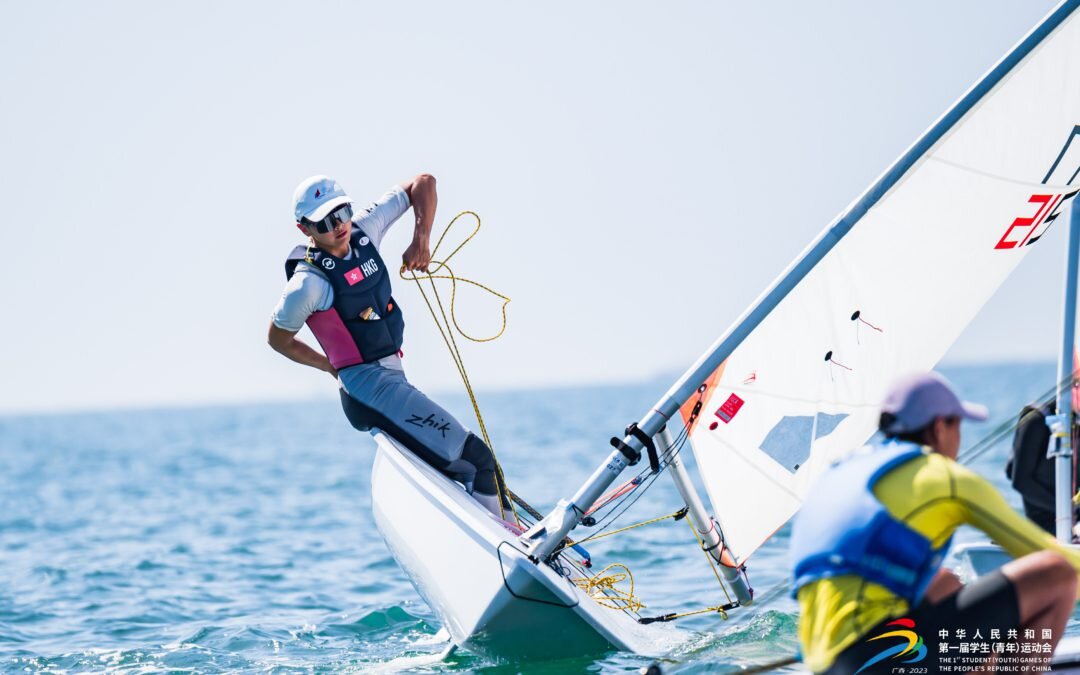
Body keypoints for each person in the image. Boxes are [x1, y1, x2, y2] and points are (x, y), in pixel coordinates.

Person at [790, 372, 1080, 674]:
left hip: (823, 663)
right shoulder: (942, 476)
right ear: (940, 427)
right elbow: (1051, 557)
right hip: (876, 657)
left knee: (944, 584)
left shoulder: (840, 473)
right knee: (1056, 572)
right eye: (958, 425)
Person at [268, 174, 508, 518]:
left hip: (393, 380)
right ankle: (510, 543)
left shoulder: (365, 229)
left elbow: (422, 183)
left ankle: (504, 528)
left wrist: (420, 238)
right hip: (369, 392)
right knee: (479, 462)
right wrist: (328, 366)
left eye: (342, 211)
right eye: (325, 221)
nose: (339, 225)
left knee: (476, 468)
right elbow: (277, 338)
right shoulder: (306, 285)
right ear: (304, 229)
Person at [1006, 399, 1079, 535]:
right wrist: (1066, 510)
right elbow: (1020, 480)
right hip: (1045, 525)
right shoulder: (1036, 420)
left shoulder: (1076, 423)